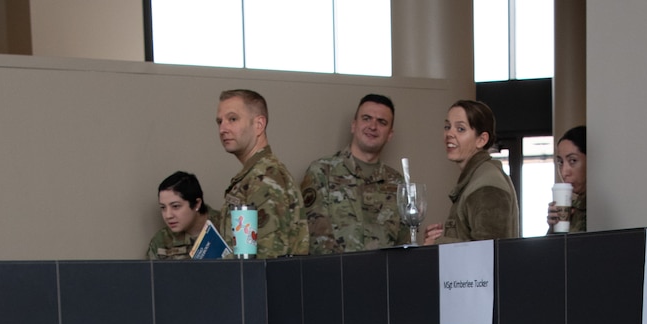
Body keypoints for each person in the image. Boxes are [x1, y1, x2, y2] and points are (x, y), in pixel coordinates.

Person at [300, 94, 405, 254]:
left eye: (382, 122)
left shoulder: (397, 182)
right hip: (336, 275)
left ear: (390, 134)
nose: (373, 126)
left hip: (385, 277)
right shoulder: (322, 172)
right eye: (366, 118)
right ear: (354, 125)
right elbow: (314, 238)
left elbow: (404, 243)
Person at [215, 89, 308, 258]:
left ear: (259, 124)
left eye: (232, 119)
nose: (223, 128)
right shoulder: (253, 175)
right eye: (219, 122)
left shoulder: (265, 178)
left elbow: (268, 260)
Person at [423, 100, 518, 245]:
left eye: (460, 129)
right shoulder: (478, 176)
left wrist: (436, 244)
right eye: (447, 127)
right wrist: (444, 236)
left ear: (481, 139)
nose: (449, 133)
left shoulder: (487, 185)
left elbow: (489, 253)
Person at [145, 171, 220, 260]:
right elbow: (150, 273)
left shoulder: (226, 227)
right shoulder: (161, 240)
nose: (168, 215)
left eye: (176, 206)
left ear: (197, 204)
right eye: (163, 207)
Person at [546, 126, 587, 233]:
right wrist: (553, 228)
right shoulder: (573, 208)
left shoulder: (600, 205)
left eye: (573, 160)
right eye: (560, 162)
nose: (564, 172)